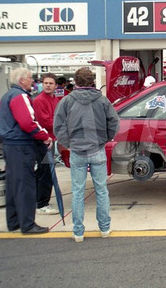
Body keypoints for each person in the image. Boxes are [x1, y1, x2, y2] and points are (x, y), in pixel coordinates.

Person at [54, 67, 119, 242]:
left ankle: (78, 232)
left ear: (75, 81)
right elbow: (114, 121)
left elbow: (58, 126)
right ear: (92, 82)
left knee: (77, 191)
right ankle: (104, 228)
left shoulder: (67, 101)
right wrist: (105, 138)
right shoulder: (102, 100)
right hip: (97, 148)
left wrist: (69, 143)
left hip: (77, 150)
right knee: (101, 190)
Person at [0, 68, 52, 234]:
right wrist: (44, 136)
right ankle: (28, 224)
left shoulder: (7, 95)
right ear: (22, 80)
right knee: (26, 185)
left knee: (14, 184)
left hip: (10, 145)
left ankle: (13, 221)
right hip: (21, 145)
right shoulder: (20, 96)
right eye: (30, 78)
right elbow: (28, 122)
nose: (32, 81)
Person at [33, 73, 60, 215]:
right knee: (46, 172)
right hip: (44, 142)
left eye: (51, 83)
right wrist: (62, 124)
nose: (48, 85)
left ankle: (38, 200)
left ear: (56, 85)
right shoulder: (39, 100)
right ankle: (42, 204)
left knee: (44, 171)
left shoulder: (55, 99)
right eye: (45, 83)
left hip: (52, 140)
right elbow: (45, 122)